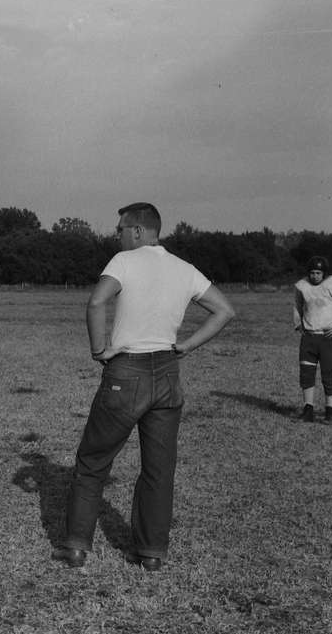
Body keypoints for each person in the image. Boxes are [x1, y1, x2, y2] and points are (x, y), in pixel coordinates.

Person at [51, 202, 235, 571]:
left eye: (120, 229)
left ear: (137, 231)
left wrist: (98, 350)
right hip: (167, 373)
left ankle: (75, 547)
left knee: (92, 461)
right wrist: (186, 345)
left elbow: (97, 301)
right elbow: (225, 310)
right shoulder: (185, 269)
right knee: (158, 469)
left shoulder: (124, 262)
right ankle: (151, 552)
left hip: (126, 371)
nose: (117, 235)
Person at [293, 256, 332, 424]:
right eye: (312, 273)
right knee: (306, 375)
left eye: (318, 273)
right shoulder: (302, 286)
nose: (314, 276)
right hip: (309, 338)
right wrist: (298, 324)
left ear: (324, 273)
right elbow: (297, 306)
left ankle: (330, 412)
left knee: (328, 376)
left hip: (327, 339)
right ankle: (308, 411)